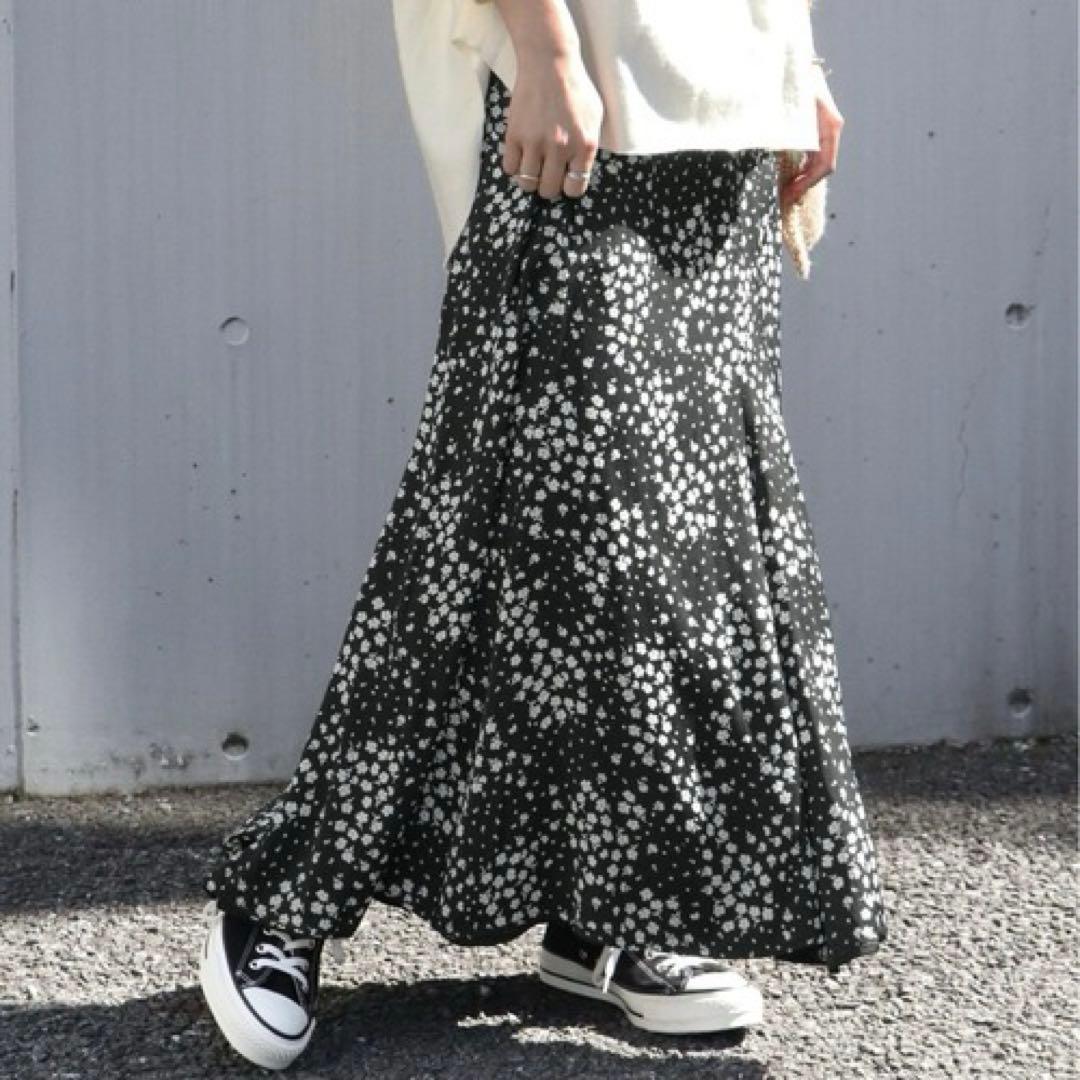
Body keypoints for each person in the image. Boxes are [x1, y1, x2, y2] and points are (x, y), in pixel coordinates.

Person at [196, 0, 888, 1070]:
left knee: (677, 538)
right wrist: (546, 46)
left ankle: (610, 901)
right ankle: (286, 895)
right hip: (577, 78)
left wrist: (797, 63)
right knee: (485, 513)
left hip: (731, 97)